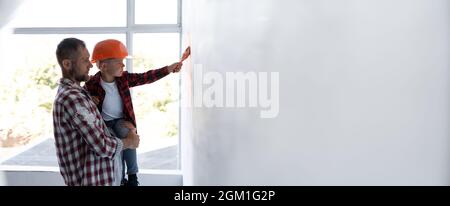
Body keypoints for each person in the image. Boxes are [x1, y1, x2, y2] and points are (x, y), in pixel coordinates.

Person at [84, 39, 190, 186]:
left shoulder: (124, 79)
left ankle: (133, 176)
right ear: (103, 66)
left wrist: (168, 69)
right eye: (119, 62)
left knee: (129, 137)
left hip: (122, 121)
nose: (123, 65)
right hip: (104, 124)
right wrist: (90, 100)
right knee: (117, 148)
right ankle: (120, 179)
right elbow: (81, 101)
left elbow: (145, 77)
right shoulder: (91, 84)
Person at [53, 38, 140, 186]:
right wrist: (130, 142)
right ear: (67, 64)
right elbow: (102, 145)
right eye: (85, 60)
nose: (91, 65)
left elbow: (98, 132)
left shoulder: (81, 94)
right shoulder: (72, 99)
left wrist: (124, 128)